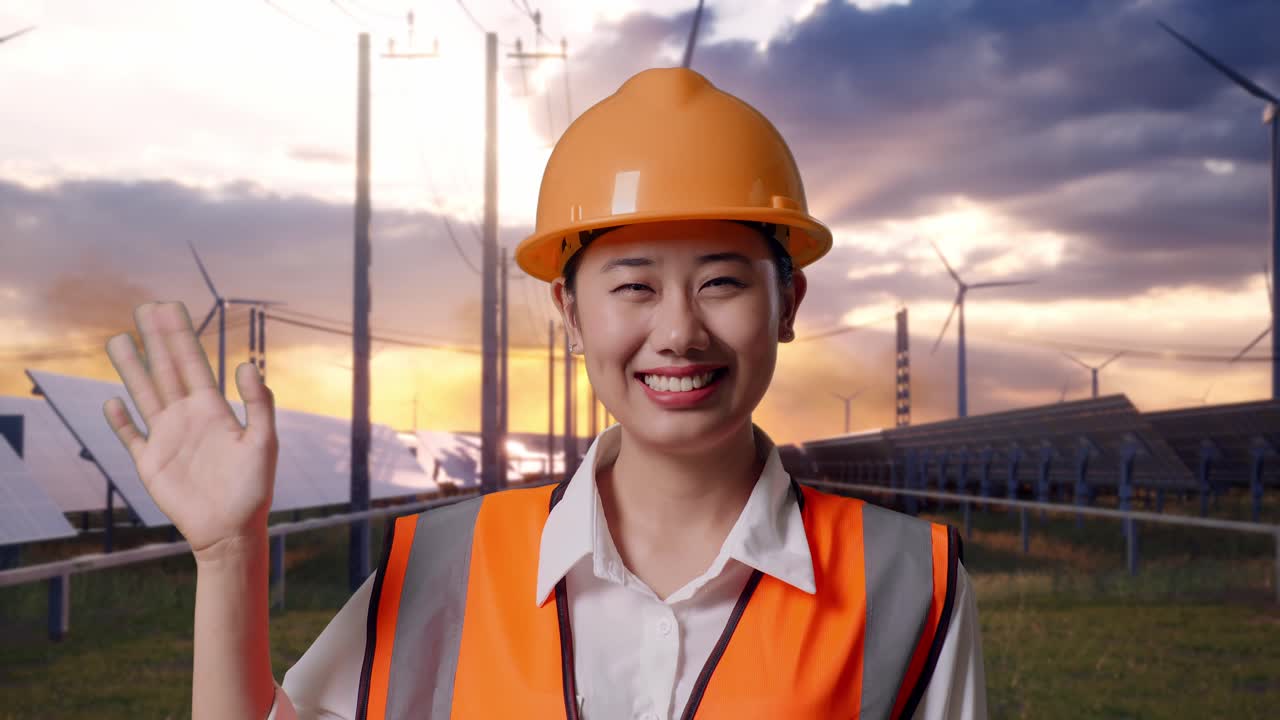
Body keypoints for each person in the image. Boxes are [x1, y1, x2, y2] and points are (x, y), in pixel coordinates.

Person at [103, 67, 986, 719]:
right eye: (633, 286)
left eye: (722, 282)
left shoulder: (913, 582)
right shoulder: (442, 565)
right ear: (569, 311)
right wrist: (228, 559)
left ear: (788, 303)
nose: (678, 330)